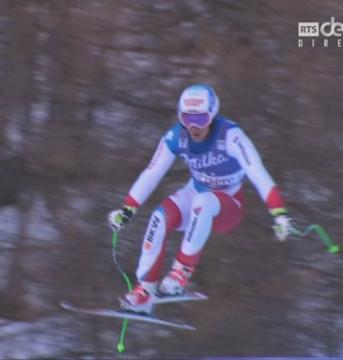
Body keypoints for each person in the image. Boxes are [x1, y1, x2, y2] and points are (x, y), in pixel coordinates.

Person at [108, 84, 294, 314]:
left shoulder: (231, 136)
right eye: (188, 118)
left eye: (201, 118)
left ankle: (181, 272)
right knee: (159, 216)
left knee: (203, 201)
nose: (194, 126)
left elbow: (257, 172)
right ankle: (145, 290)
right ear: (180, 117)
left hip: (228, 205)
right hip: (196, 192)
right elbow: (152, 172)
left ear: (213, 115)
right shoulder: (176, 137)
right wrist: (128, 208)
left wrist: (279, 213)